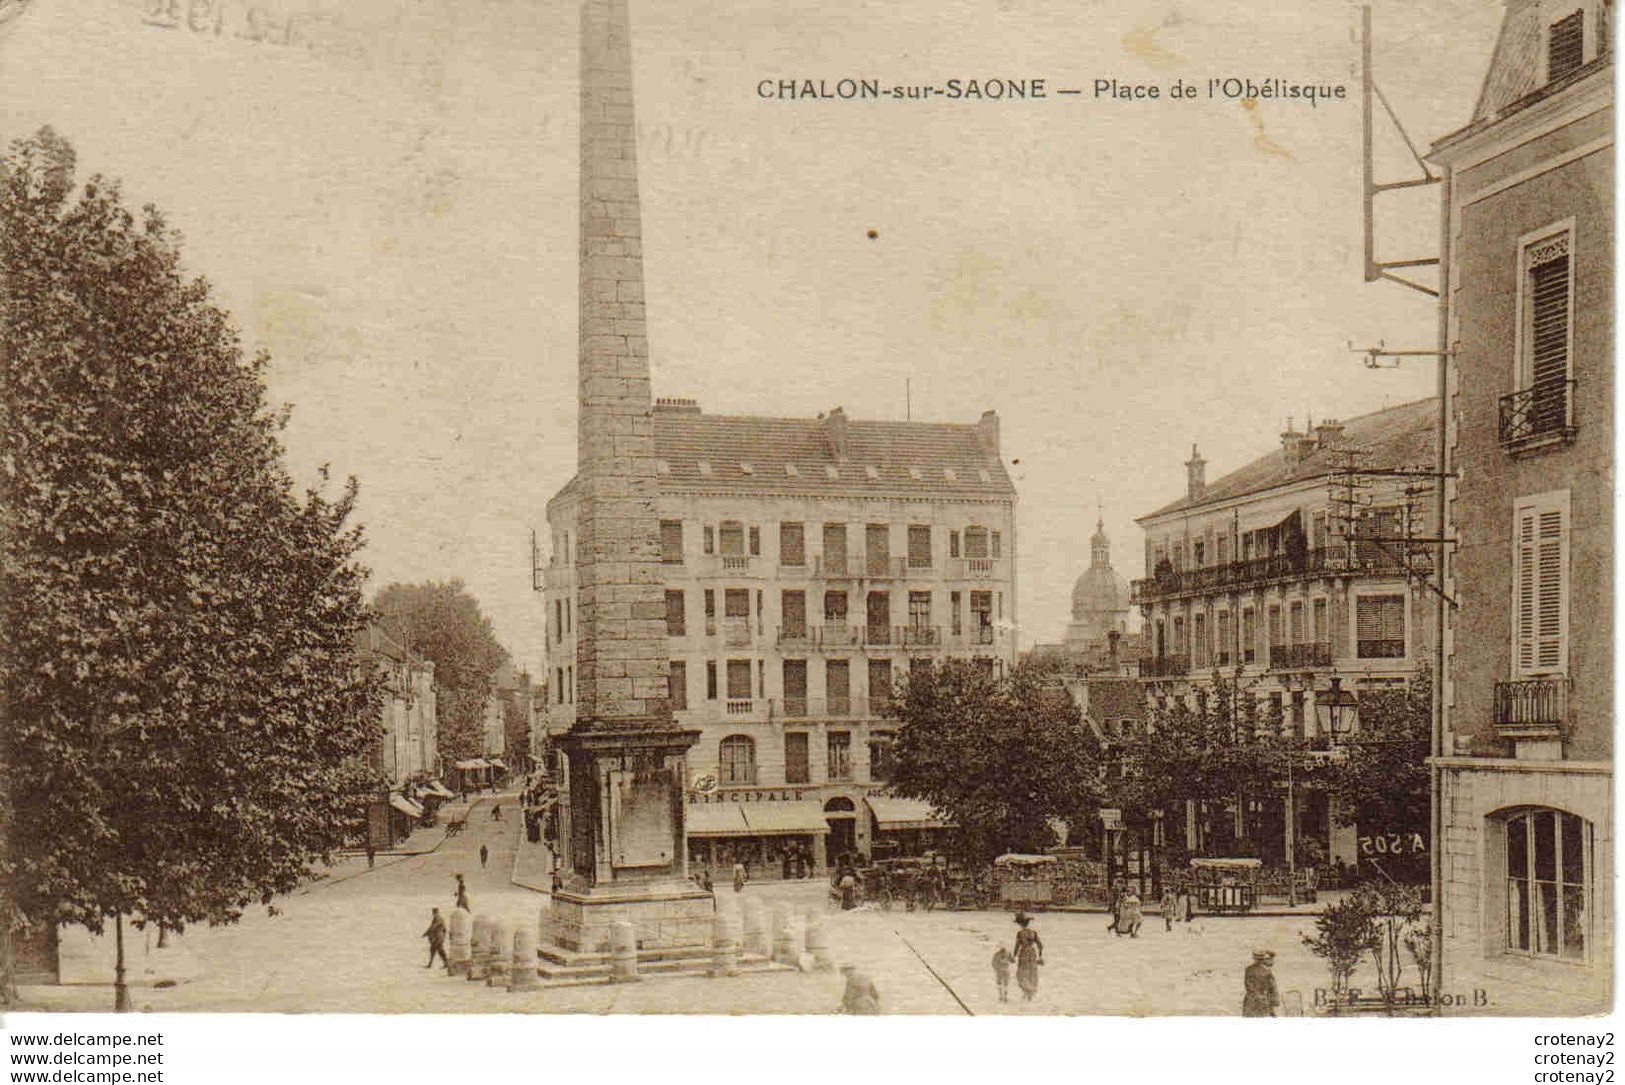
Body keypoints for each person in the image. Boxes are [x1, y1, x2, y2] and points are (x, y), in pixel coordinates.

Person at [1013, 913, 1043, 1002]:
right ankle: (1030, 994)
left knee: (1021, 974)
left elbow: (1017, 946)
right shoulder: (1033, 933)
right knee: (1031, 973)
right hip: (1032, 953)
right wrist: (1040, 956)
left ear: (1020, 924)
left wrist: (1014, 956)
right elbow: (1040, 946)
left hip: (1024, 954)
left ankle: (1027, 992)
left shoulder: (1020, 933)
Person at [1243, 949, 1280, 1017]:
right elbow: (1272, 988)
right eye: (1270, 959)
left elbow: (1248, 986)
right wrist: (1274, 1002)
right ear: (1263, 960)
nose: (1273, 961)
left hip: (1250, 1002)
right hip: (1263, 1002)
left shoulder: (1249, 969)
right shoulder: (1266, 972)